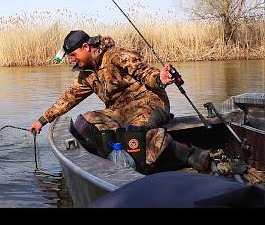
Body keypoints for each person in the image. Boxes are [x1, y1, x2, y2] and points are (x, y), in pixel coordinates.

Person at [29, 30, 211, 175]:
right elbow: (69, 98)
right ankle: (108, 163)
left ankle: (190, 155)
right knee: (83, 124)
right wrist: (42, 121)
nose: (72, 60)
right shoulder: (86, 74)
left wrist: (160, 78)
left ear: (86, 47)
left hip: (148, 102)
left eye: (74, 55)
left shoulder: (117, 55)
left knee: (134, 134)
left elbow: (145, 72)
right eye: (69, 56)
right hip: (118, 111)